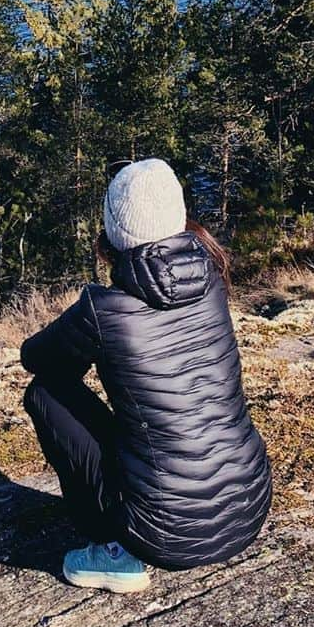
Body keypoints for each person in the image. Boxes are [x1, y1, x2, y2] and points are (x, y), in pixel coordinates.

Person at [20, 157, 272, 593]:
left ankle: (113, 553)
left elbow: (37, 358)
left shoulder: (105, 310)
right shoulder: (211, 279)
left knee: (46, 392)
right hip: (249, 507)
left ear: (112, 231)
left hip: (166, 536)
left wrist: (87, 347)